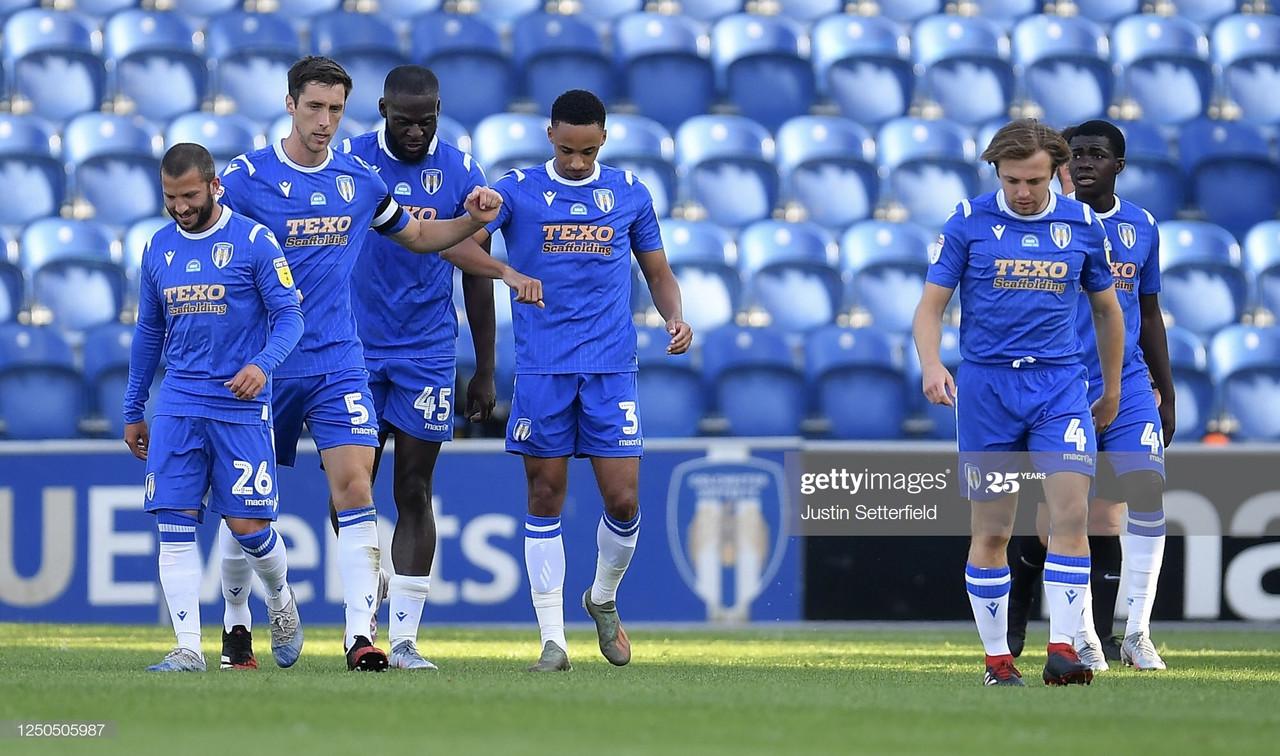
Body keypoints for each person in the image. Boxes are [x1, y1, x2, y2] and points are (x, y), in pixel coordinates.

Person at [214, 56, 507, 672]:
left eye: (334, 110)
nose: (325, 121)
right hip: (266, 364)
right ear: (291, 103)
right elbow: (205, 246)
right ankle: (239, 621)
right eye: (315, 108)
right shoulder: (244, 179)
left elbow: (422, 238)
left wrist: (471, 222)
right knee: (247, 502)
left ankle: (361, 637)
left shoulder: (359, 179)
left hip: (340, 361)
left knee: (356, 486)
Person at [330, 64, 543, 670]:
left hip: (426, 351)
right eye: (405, 120)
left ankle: (404, 641)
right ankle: (362, 623)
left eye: (428, 120)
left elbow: (476, 271)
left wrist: (483, 367)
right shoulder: (351, 164)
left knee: (415, 488)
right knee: (353, 489)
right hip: (354, 351)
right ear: (382, 109)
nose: (417, 131)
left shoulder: (460, 171)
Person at [474, 89, 692, 672]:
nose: (576, 161)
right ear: (550, 135)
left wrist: (674, 314)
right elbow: (467, 250)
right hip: (543, 368)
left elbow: (658, 271)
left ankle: (601, 596)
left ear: (603, 139)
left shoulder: (628, 193)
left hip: (611, 368)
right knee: (545, 494)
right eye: (567, 149)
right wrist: (506, 272)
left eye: (587, 151)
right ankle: (552, 640)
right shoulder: (517, 189)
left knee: (623, 500)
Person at [912, 118, 1126, 687]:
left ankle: (1062, 647)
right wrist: (932, 364)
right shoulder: (967, 222)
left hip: (1059, 388)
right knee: (993, 530)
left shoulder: (1081, 223)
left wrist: (1111, 388)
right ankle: (997, 662)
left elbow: (1107, 309)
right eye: (1011, 181)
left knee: (1071, 515)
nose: (1023, 193)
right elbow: (930, 306)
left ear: (1056, 172)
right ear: (997, 174)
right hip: (988, 391)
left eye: (1033, 181)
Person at [124, 143, 305, 673]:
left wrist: (262, 365)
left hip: (239, 403)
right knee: (174, 523)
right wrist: (135, 406)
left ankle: (279, 597)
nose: (180, 208)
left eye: (189, 196)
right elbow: (148, 332)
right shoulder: (158, 247)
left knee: (249, 529)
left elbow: (291, 316)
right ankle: (187, 647)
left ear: (214, 186)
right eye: (170, 198)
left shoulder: (253, 241)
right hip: (179, 401)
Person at [1006, 120, 1174, 672]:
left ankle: (1137, 633)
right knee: (1062, 516)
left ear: (1117, 166)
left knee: (1145, 494)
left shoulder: (1141, 226)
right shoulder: (1051, 223)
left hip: (1125, 383)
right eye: (1074, 155)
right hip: (1061, 384)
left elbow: (1148, 313)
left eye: (1096, 155)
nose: (1082, 163)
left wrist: (1165, 391)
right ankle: (1075, 634)